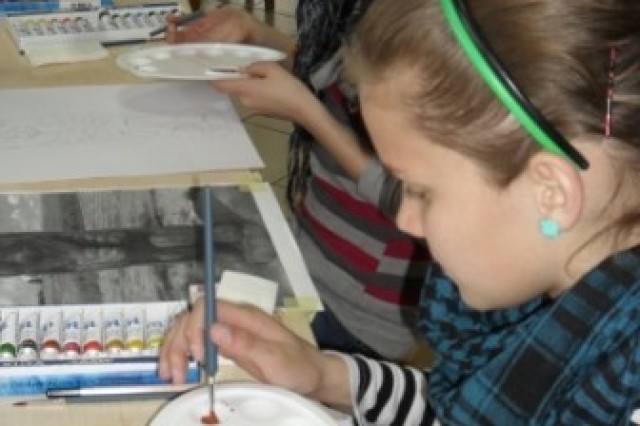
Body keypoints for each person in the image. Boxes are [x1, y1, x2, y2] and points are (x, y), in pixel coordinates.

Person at [160, 0, 640, 424]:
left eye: (421, 192)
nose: (406, 220)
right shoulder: (552, 296)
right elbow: (453, 411)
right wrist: (323, 375)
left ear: (551, 193)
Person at [165, 1, 431, 361]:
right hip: (307, 255)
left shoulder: (436, 32)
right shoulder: (364, 14)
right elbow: (334, 80)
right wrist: (257, 36)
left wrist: (307, 112)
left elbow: (415, 201)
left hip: (355, 313)